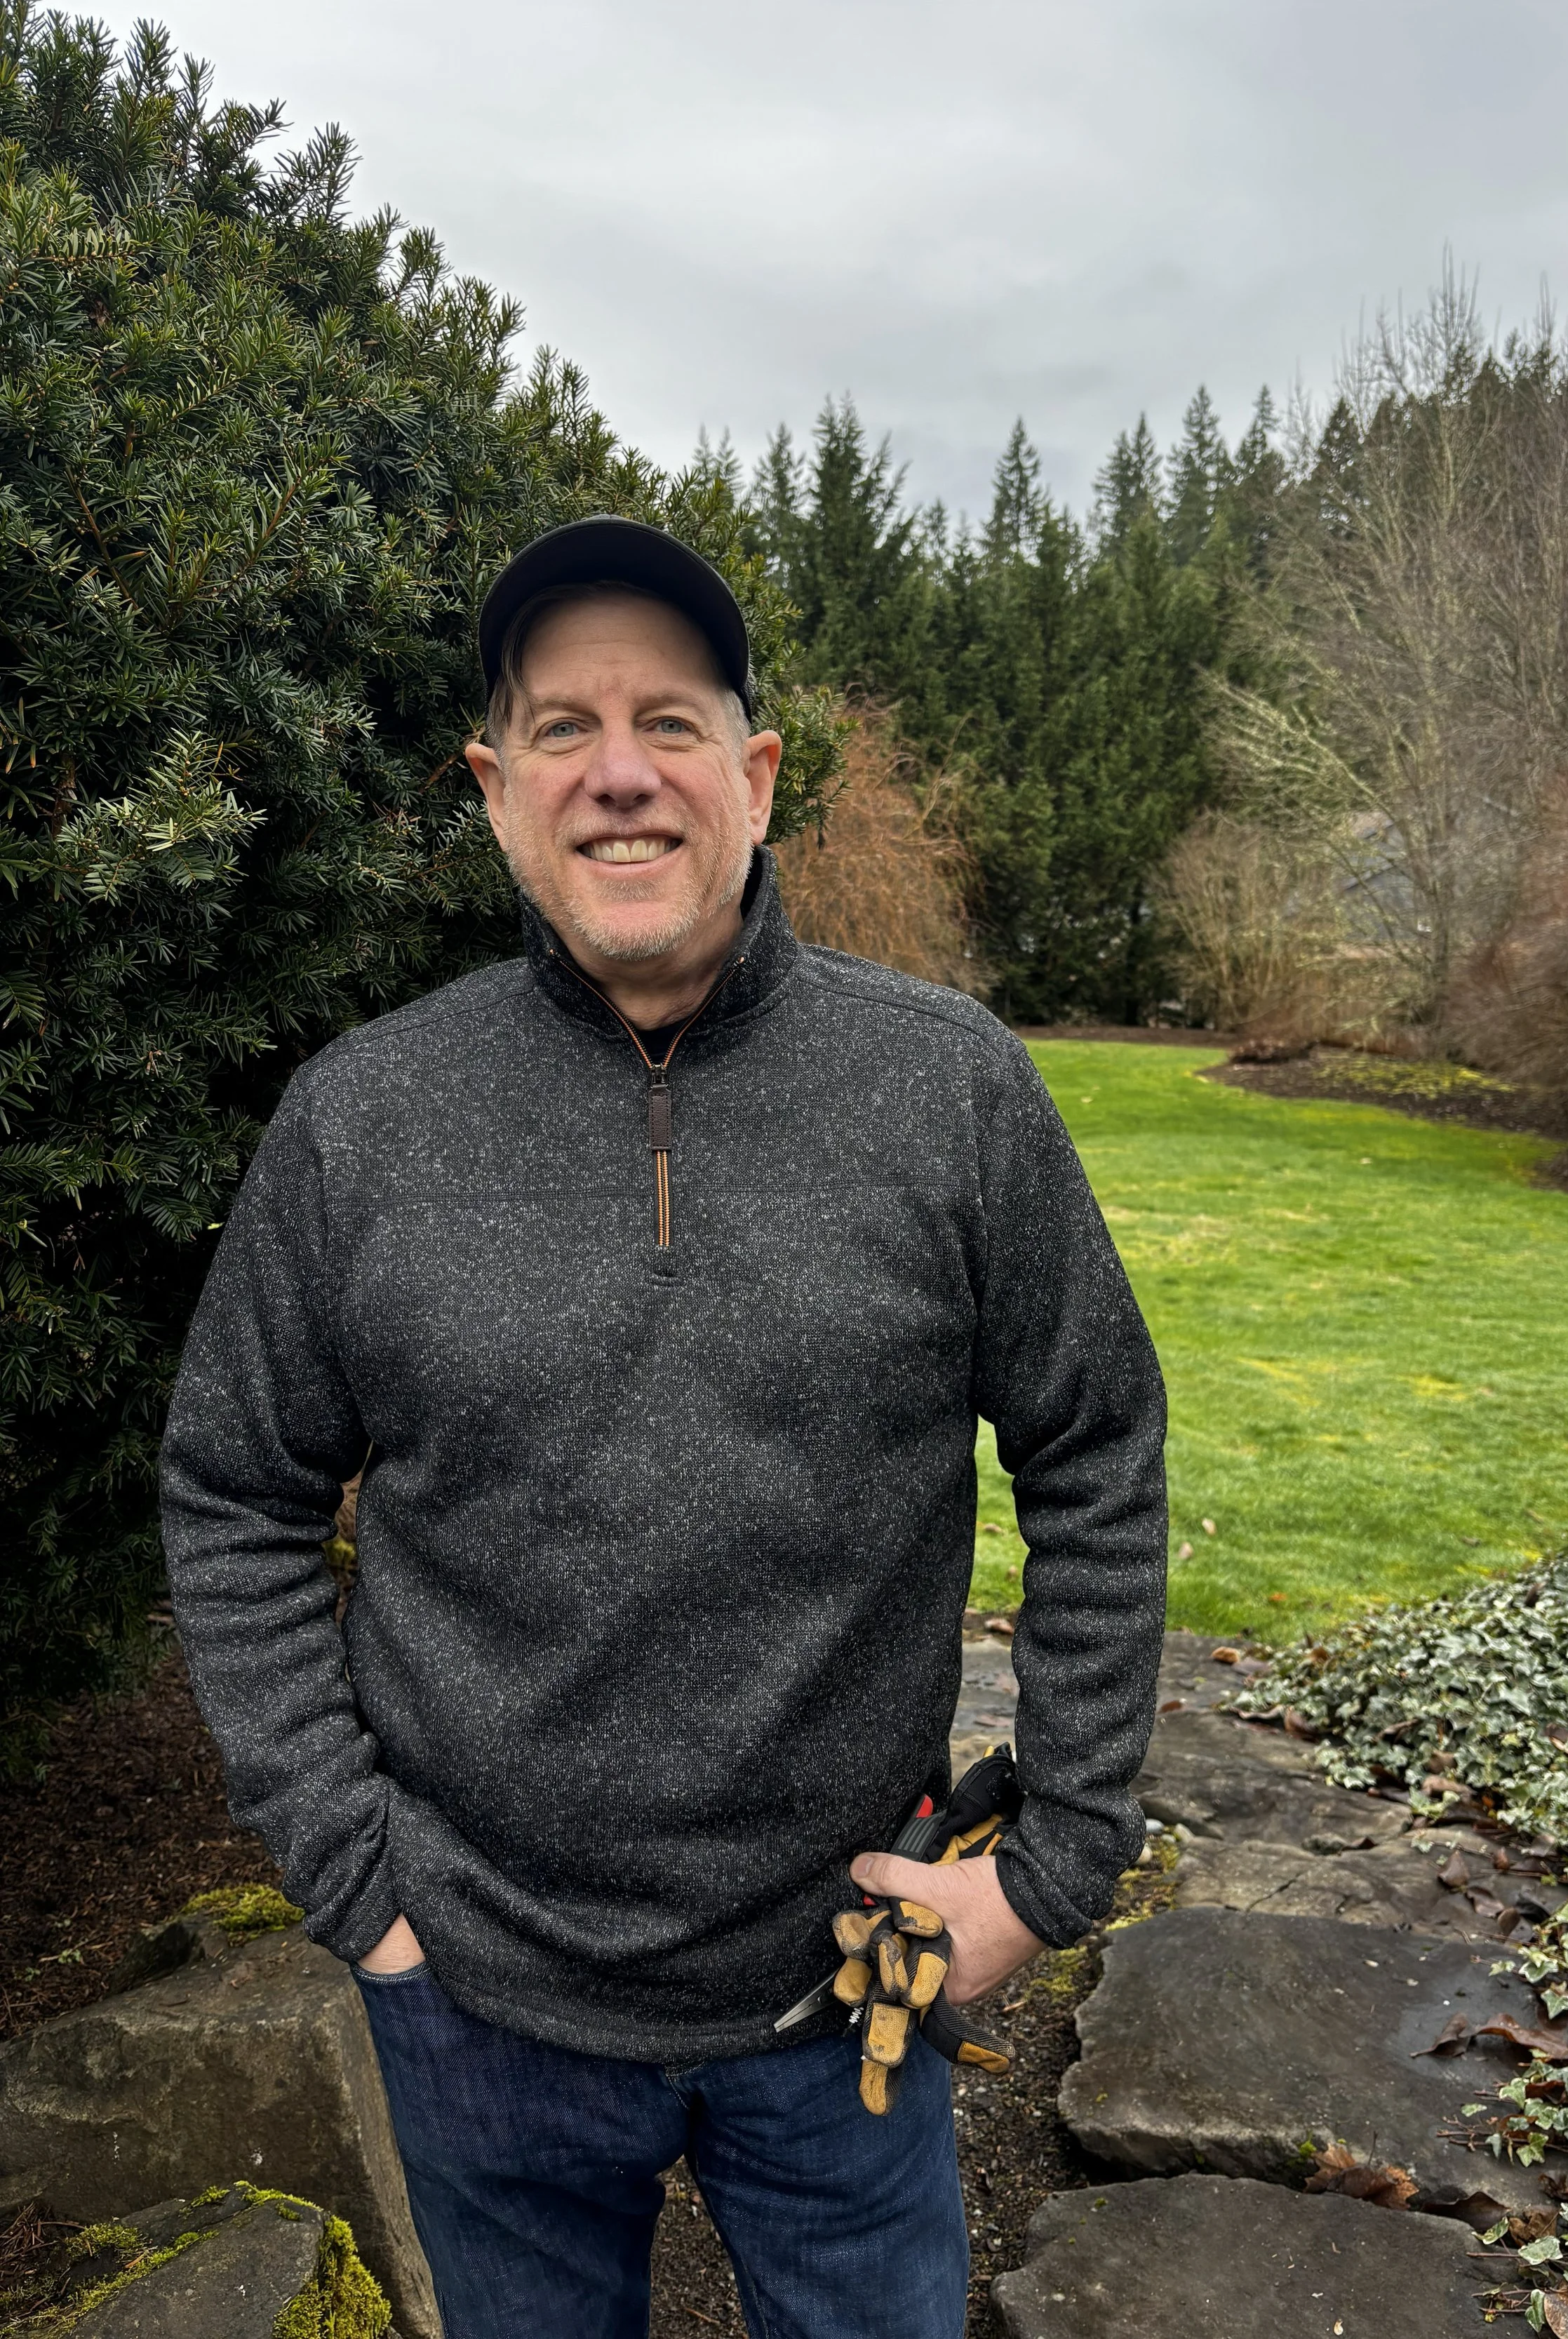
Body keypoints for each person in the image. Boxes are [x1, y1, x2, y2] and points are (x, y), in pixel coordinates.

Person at [159, 518, 1168, 2339]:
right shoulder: (361, 1122)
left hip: (851, 1991)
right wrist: (359, 1886)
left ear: (754, 775)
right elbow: (234, 1487)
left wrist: (1047, 1860)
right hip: (476, 2006)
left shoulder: (947, 1095)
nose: (618, 772)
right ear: (493, 786)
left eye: (669, 721)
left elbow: (1094, 1443)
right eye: (561, 726)